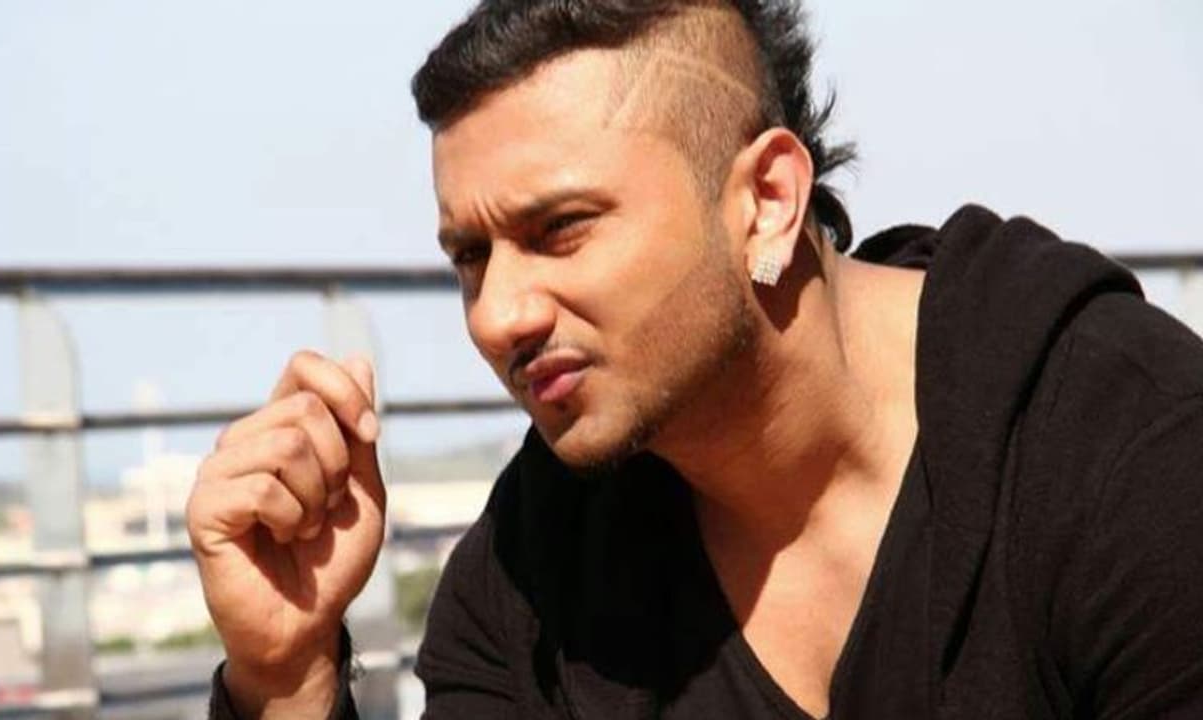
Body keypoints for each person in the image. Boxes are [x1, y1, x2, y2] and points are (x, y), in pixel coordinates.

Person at [188, 1, 1203, 717]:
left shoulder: (1125, 455)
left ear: (766, 201)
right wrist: (286, 675)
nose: (497, 316)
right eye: (469, 257)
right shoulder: (532, 573)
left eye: (559, 229)